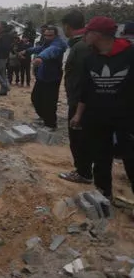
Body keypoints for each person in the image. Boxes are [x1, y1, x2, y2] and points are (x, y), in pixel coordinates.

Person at [70, 16, 134, 200]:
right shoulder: (90, 58)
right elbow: (86, 90)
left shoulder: (130, 55)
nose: (84, 36)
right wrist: (78, 114)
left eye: (87, 32)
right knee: (100, 158)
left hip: (126, 119)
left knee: (130, 159)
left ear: (97, 34)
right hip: (96, 117)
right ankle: (104, 195)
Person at [59, 10, 94, 184]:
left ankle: (83, 172)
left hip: (80, 101)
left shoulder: (80, 47)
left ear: (67, 26)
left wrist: (78, 107)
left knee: (78, 139)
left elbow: (83, 78)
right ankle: (86, 169)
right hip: (84, 100)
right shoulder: (82, 44)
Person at [21, 26, 67, 130]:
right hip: (42, 76)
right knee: (35, 98)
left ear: (55, 35)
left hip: (52, 77)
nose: (47, 37)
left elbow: (51, 51)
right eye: (45, 35)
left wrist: (41, 57)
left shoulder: (58, 44)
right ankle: (43, 117)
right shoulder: (47, 42)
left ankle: (50, 124)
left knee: (49, 101)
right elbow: (40, 48)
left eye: (50, 35)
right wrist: (27, 51)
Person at [0, 22, 12, 95]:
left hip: (1, 56)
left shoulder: (5, 35)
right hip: (1, 56)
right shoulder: (1, 34)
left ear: (2, 26)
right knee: (2, 73)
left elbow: (5, 47)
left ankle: (6, 86)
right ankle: (3, 91)